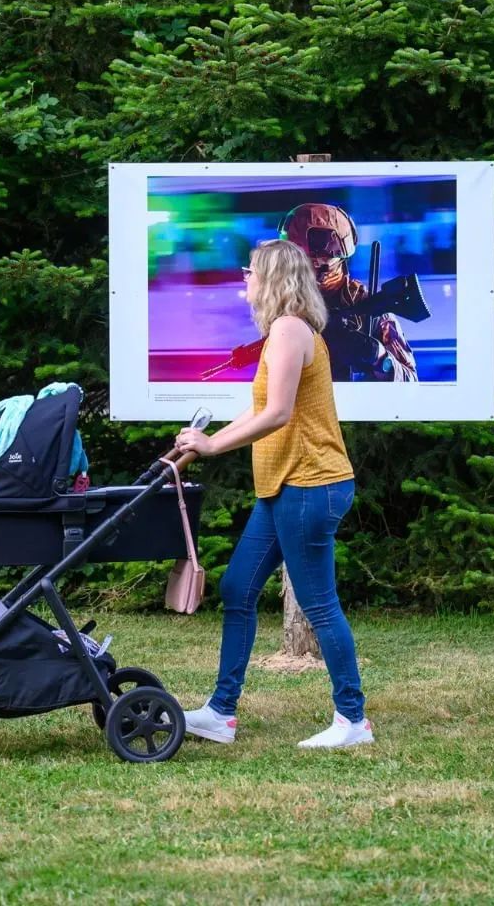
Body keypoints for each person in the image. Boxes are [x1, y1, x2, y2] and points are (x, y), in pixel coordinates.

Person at [174, 238, 373, 749]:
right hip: (284, 486)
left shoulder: (288, 330)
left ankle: (353, 720)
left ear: (273, 277)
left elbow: (279, 413)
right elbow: (261, 408)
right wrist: (204, 442)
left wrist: (213, 444)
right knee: (239, 587)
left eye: (251, 270)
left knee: (319, 603)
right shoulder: (283, 332)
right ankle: (221, 713)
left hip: (311, 484)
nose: (245, 278)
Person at [278, 202, 418, 381]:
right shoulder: (287, 309)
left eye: (309, 262)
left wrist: (378, 356)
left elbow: (411, 381)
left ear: (332, 261)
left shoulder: (370, 310)